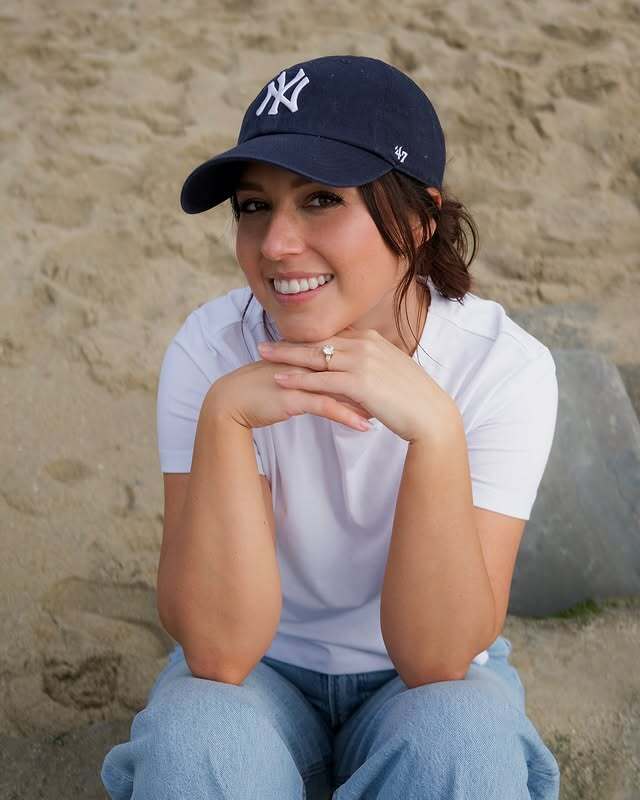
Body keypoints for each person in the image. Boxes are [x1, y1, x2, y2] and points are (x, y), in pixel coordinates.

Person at [101, 55, 561, 799]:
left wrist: (436, 432)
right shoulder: (209, 351)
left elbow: (438, 660)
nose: (276, 244)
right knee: (192, 739)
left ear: (417, 218)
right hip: (260, 676)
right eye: (253, 206)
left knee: (465, 742)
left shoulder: (502, 369)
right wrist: (224, 419)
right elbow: (218, 654)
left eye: (320, 199)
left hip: (416, 689)